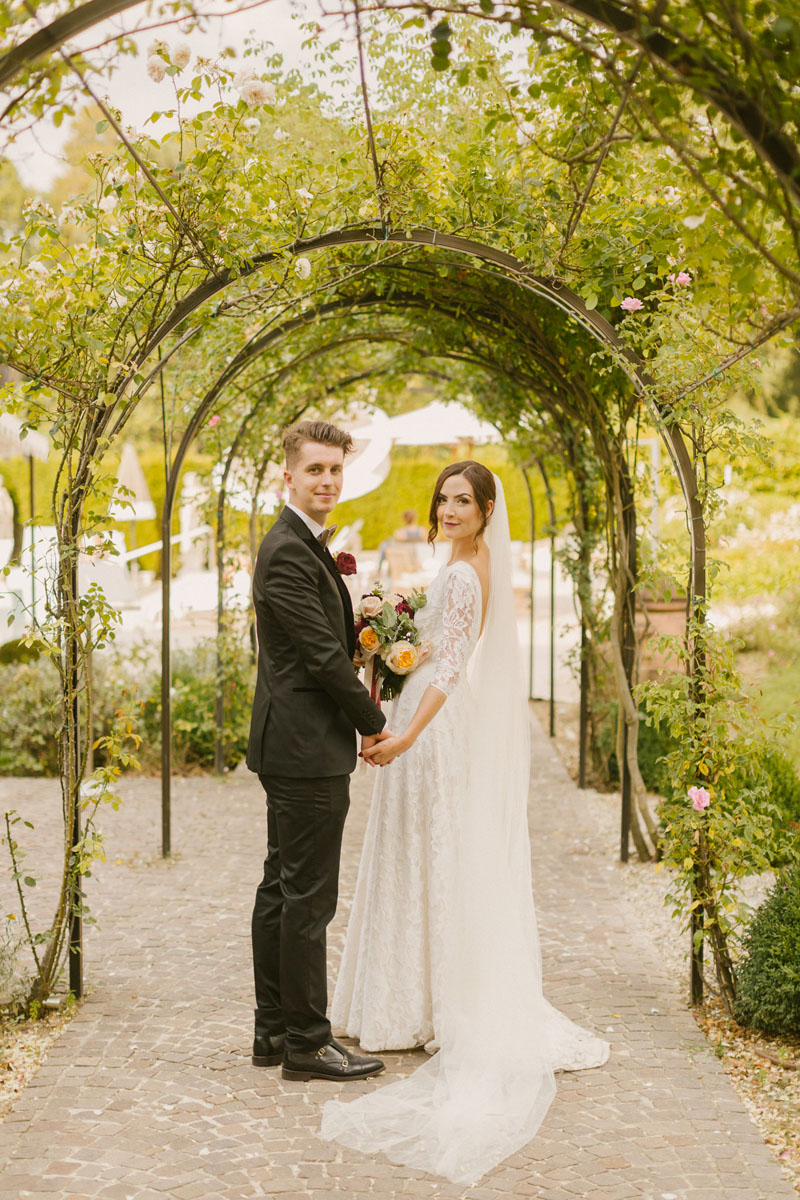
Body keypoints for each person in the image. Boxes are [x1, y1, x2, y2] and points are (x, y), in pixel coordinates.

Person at [321, 461, 610, 1184]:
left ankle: (422, 1002)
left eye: (463, 502)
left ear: (486, 511)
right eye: (443, 499)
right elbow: (421, 651)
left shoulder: (465, 572)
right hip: (413, 707)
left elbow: (447, 666)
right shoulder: (455, 563)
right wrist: (379, 646)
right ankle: (409, 993)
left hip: (431, 725)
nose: (449, 510)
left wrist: (407, 733)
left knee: (426, 853)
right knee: (416, 853)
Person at [246, 420, 393, 1083]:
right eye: (315, 470)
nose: (328, 480)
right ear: (289, 476)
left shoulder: (304, 547)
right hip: (306, 747)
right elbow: (323, 659)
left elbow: (331, 643)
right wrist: (372, 722)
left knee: (282, 888)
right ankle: (307, 1041)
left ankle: (274, 1029)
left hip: (294, 743)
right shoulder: (285, 550)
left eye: (336, 469)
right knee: (308, 898)